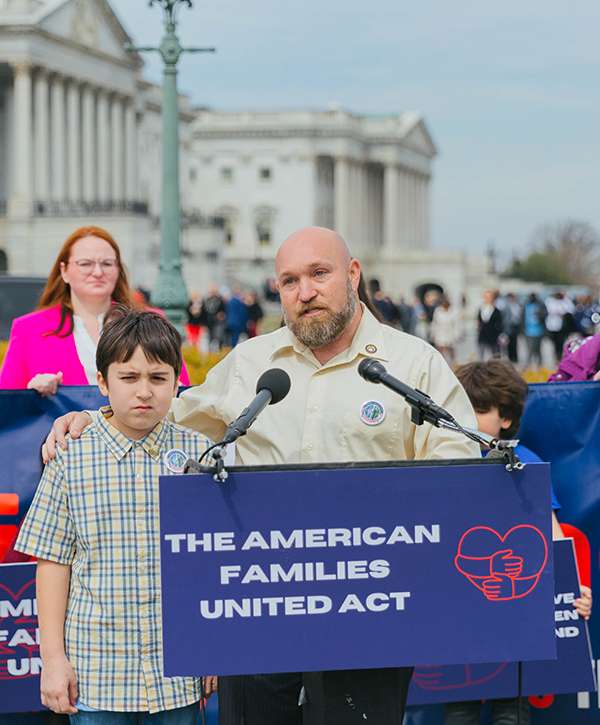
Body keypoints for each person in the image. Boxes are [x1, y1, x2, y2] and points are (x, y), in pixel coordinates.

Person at [43, 226, 481, 725]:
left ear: (353, 275)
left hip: (370, 606)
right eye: (289, 281)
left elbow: (462, 470)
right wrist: (92, 418)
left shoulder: (412, 364)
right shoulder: (251, 363)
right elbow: (163, 416)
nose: (305, 292)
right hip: (259, 602)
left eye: (319, 274)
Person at [14, 307, 217, 722]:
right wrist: (52, 660)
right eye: (129, 378)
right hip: (97, 674)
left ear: (177, 382)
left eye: (158, 378)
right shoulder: (71, 456)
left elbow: (210, 563)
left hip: (178, 675)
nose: (145, 391)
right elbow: (53, 562)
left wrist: (210, 647)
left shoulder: (199, 455)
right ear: (103, 383)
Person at [445, 358, 593, 725]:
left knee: (511, 709)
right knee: (458, 709)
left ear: (506, 418)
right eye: (459, 409)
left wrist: (576, 590)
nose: (467, 419)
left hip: (516, 615)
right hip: (457, 617)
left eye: (479, 410)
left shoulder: (525, 462)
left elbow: (555, 536)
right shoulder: (441, 461)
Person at [0, 225, 190, 395]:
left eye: (107, 264)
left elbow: (181, 392)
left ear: (118, 269)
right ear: (64, 271)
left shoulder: (152, 320)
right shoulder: (29, 329)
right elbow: (6, 407)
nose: (98, 272)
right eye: (86, 264)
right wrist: (30, 394)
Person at [430, 297, 461, 364]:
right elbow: (434, 322)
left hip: (450, 332)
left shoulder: (454, 311)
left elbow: (457, 324)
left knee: (450, 348)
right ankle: (443, 362)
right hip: (440, 331)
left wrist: (457, 334)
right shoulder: (438, 311)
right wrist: (432, 333)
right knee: (441, 347)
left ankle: (453, 362)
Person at [477, 289, 503, 360]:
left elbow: (499, 324)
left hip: (493, 335)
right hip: (483, 334)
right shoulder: (481, 309)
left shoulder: (496, 311)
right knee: (481, 354)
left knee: (495, 355)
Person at [523, 293, 546, 369]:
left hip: (538, 331)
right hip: (528, 331)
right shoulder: (526, 306)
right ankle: (527, 366)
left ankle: (539, 365)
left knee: (537, 350)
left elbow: (544, 315)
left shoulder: (540, 305)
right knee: (529, 350)